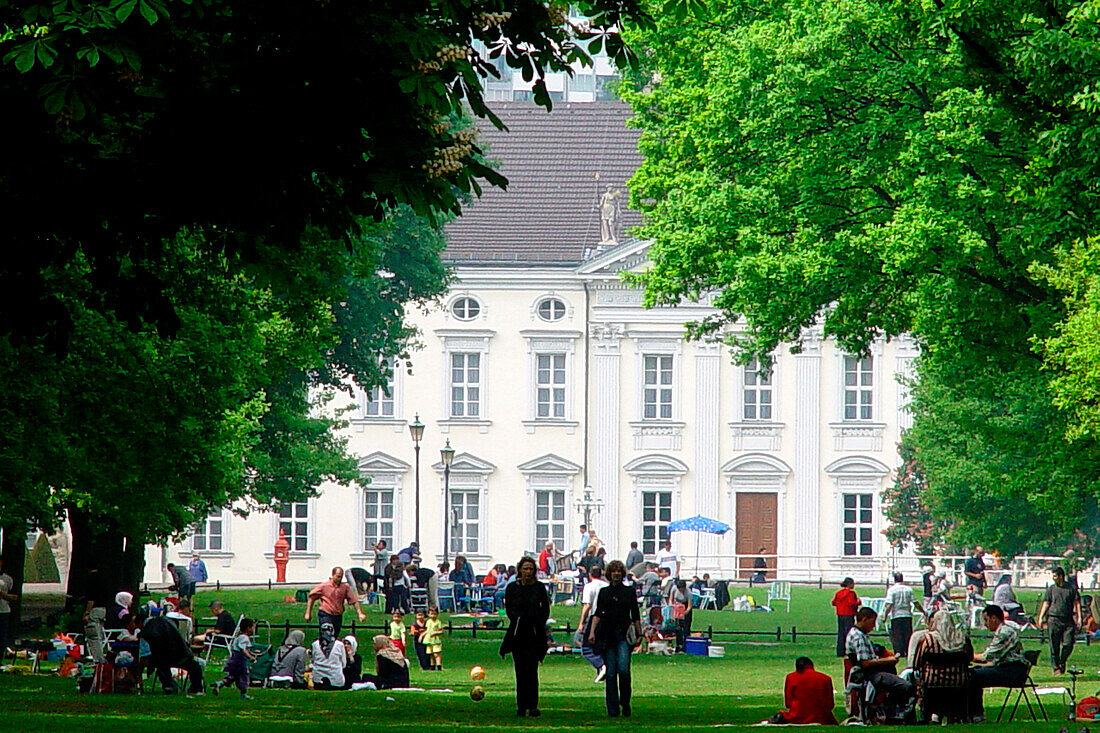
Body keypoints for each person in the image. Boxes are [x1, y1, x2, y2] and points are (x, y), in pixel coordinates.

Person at [589, 559, 642, 718]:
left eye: (619, 571)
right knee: (611, 673)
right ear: (609, 574)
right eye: (613, 572)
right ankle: (612, 709)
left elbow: (636, 615)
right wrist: (592, 632)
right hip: (607, 635)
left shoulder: (629, 592)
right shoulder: (604, 592)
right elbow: (598, 613)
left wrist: (640, 634)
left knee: (624, 670)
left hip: (624, 635)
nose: (616, 574)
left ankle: (625, 702)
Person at [500, 555, 551, 717]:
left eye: (531, 569)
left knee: (532, 670)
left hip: (534, 633)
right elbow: (509, 609)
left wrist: (538, 621)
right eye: (525, 568)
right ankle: (521, 705)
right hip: (518, 632)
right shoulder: (512, 588)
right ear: (520, 570)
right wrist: (519, 619)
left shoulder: (539, 588)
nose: (528, 572)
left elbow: (545, 609)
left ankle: (533, 706)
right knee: (520, 671)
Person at [846, 607, 915, 715]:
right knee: (906, 686)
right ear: (864, 619)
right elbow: (865, 663)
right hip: (870, 674)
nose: (873, 626)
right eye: (872, 622)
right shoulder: (859, 637)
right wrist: (888, 661)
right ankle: (892, 712)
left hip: (867, 673)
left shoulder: (856, 633)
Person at [911, 609, 973, 723]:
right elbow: (969, 658)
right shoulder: (962, 638)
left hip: (933, 682)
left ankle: (931, 715)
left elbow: (916, 663)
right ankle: (955, 715)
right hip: (958, 682)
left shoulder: (927, 640)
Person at [970, 604, 1030, 720]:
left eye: (986, 620)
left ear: (994, 618)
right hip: (1010, 669)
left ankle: (976, 714)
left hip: (1013, 671)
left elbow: (986, 657)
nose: (985, 624)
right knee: (974, 672)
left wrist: (965, 656)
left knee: (972, 676)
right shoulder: (1004, 629)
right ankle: (973, 713)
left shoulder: (1004, 632)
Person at [141, 613, 206, 695]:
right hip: (180, 655)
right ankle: (196, 688)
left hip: (162, 658)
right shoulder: (165, 625)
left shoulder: (150, 628)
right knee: (195, 666)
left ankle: (169, 685)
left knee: (162, 666)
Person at [1037, 565, 1081, 673]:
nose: (1053, 578)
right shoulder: (1051, 589)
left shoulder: (1071, 589)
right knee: (1054, 645)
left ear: (1061, 576)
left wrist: (1079, 617)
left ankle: (1062, 661)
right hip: (1053, 619)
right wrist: (1041, 617)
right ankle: (1056, 668)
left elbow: (1077, 603)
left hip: (1068, 619)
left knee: (1068, 644)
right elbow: (1046, 603)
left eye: (1055, 576)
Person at [770, 657, 838, 725]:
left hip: (797, 716)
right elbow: (830, 704)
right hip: (821, 717)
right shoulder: (826, 678)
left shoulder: (791, 677)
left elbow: (788, 703)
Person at [304, 566, 366, 637]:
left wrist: (360, 613)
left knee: (335, 635)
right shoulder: (324, 586)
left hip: (337, 615)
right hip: (326, 614)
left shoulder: (345, 587)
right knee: (326, 633)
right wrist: (308, 613)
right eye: (338, 576)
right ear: (333, 575)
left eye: (341, 577)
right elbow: (312, 598)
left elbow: (354, 601)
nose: (339, 579)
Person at [212, 617, 257, 699]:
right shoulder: (244, 638)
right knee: (244, 676)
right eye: (253, 627)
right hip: (239, 661)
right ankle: (243, 693)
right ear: (248, 628)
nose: (253, 629)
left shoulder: (239, 637)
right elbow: (242, 649)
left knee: (233, 676)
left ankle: (220, 683)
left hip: (233, 659)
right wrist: (250, 657)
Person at [577, 565, 608, 682]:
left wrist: (581, 622)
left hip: (594, 617)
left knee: (586, 647)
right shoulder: (606, 585)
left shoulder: (589, 586)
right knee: (600, 645)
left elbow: (587, 605)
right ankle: (602, 672)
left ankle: (601, 665)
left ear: (590, 575)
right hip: (607, 618)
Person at [82, 565, 113, 664]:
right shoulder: (104, 578)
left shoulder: (91, 580)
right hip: (103, 610)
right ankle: (101, 656)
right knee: (99, 635)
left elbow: (91, 599)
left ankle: (98, 659)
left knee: (93, 636)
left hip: (94, 610)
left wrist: (87, 613)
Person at [884, 572, 916, 657]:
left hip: (896, 615)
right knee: (907, 634)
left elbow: (889, 604)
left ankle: (898, 651)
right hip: (907, 614)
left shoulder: (892, 590)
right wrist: (923, 611)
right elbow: (915, 602)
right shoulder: (908, 589)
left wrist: (885, 615)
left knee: (897, 635)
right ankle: (907, 650)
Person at [309, 621, 347, 690]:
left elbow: (313, 661)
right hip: (336, 681)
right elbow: (344, 664)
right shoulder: (339, 645)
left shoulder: (315, 644)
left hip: (318, 680)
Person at [831, 577, 859, 657]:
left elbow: (834, 602)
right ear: (850, 584)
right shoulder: (851, 593)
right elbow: (852, 603)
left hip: (840, 614)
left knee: (841, 632)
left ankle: (840, 651)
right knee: (848, 633)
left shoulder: (839, 593)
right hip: (849, 614)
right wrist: (858, 602)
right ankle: (848, 651)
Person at [668, 578, 693, 651]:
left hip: (685, 607)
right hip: (677, 606)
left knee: (686, 627)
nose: (681, 590)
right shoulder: (674, 588)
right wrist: (671, 606)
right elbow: (671, 599)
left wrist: (684, 613)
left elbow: (689, 606)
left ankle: (686, 645)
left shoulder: (688, 592)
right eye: (680, 589)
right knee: (677, 626)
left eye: (682, 589)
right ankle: (678, 644)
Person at [0, 556, 16, 655]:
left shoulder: (7, 579)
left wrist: (4, 595)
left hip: (3, 611)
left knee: (2, 638)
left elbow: (14, 597)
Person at [424, 606, 445, 670]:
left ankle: (439, 666)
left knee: (436, 653)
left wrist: (435, 633)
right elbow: (427, 630)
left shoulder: (438, 622)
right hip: (429, 640)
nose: (433, 615)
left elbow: (441, 631)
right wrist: (422, 635)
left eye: (434, 613)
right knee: (431, 654)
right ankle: (432, 666)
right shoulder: (428, 621)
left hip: (435, 640)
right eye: (431, 613)